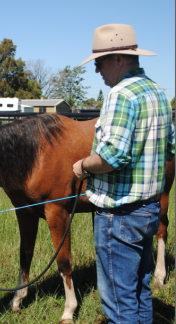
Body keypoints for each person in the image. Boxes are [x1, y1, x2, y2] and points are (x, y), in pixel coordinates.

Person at [73, 24, 175, 323]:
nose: (96, 71)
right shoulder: (158, 92)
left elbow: (113, 155)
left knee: (119, 304)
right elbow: (170, 149)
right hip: (150, 210)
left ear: (118, 59)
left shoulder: (119, 95)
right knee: (141, 293)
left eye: (99, 62)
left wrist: (82, 166)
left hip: (119, 216)